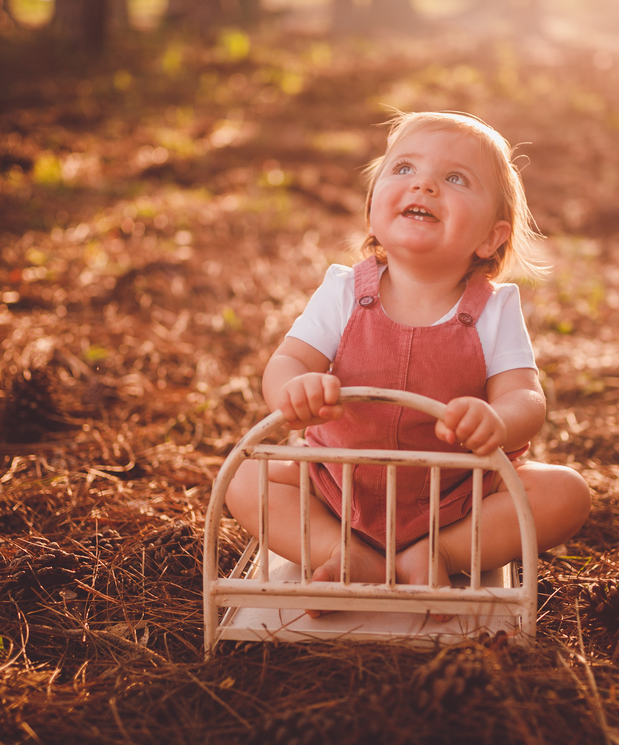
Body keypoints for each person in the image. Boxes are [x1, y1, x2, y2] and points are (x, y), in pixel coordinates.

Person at [225, 111, 591, 611]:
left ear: (491, 237)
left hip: (458, 494)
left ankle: (436, 551)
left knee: (565, 493)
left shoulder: (495, 308)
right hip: (337, 482)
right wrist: (295, 390)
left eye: (455, 178)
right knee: (245, 478)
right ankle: (346, 552)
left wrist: (498, 419)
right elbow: (288, 360)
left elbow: (526, 396)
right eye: (403, 169)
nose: (424, 184)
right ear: (373, 204)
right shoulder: (342, 291)